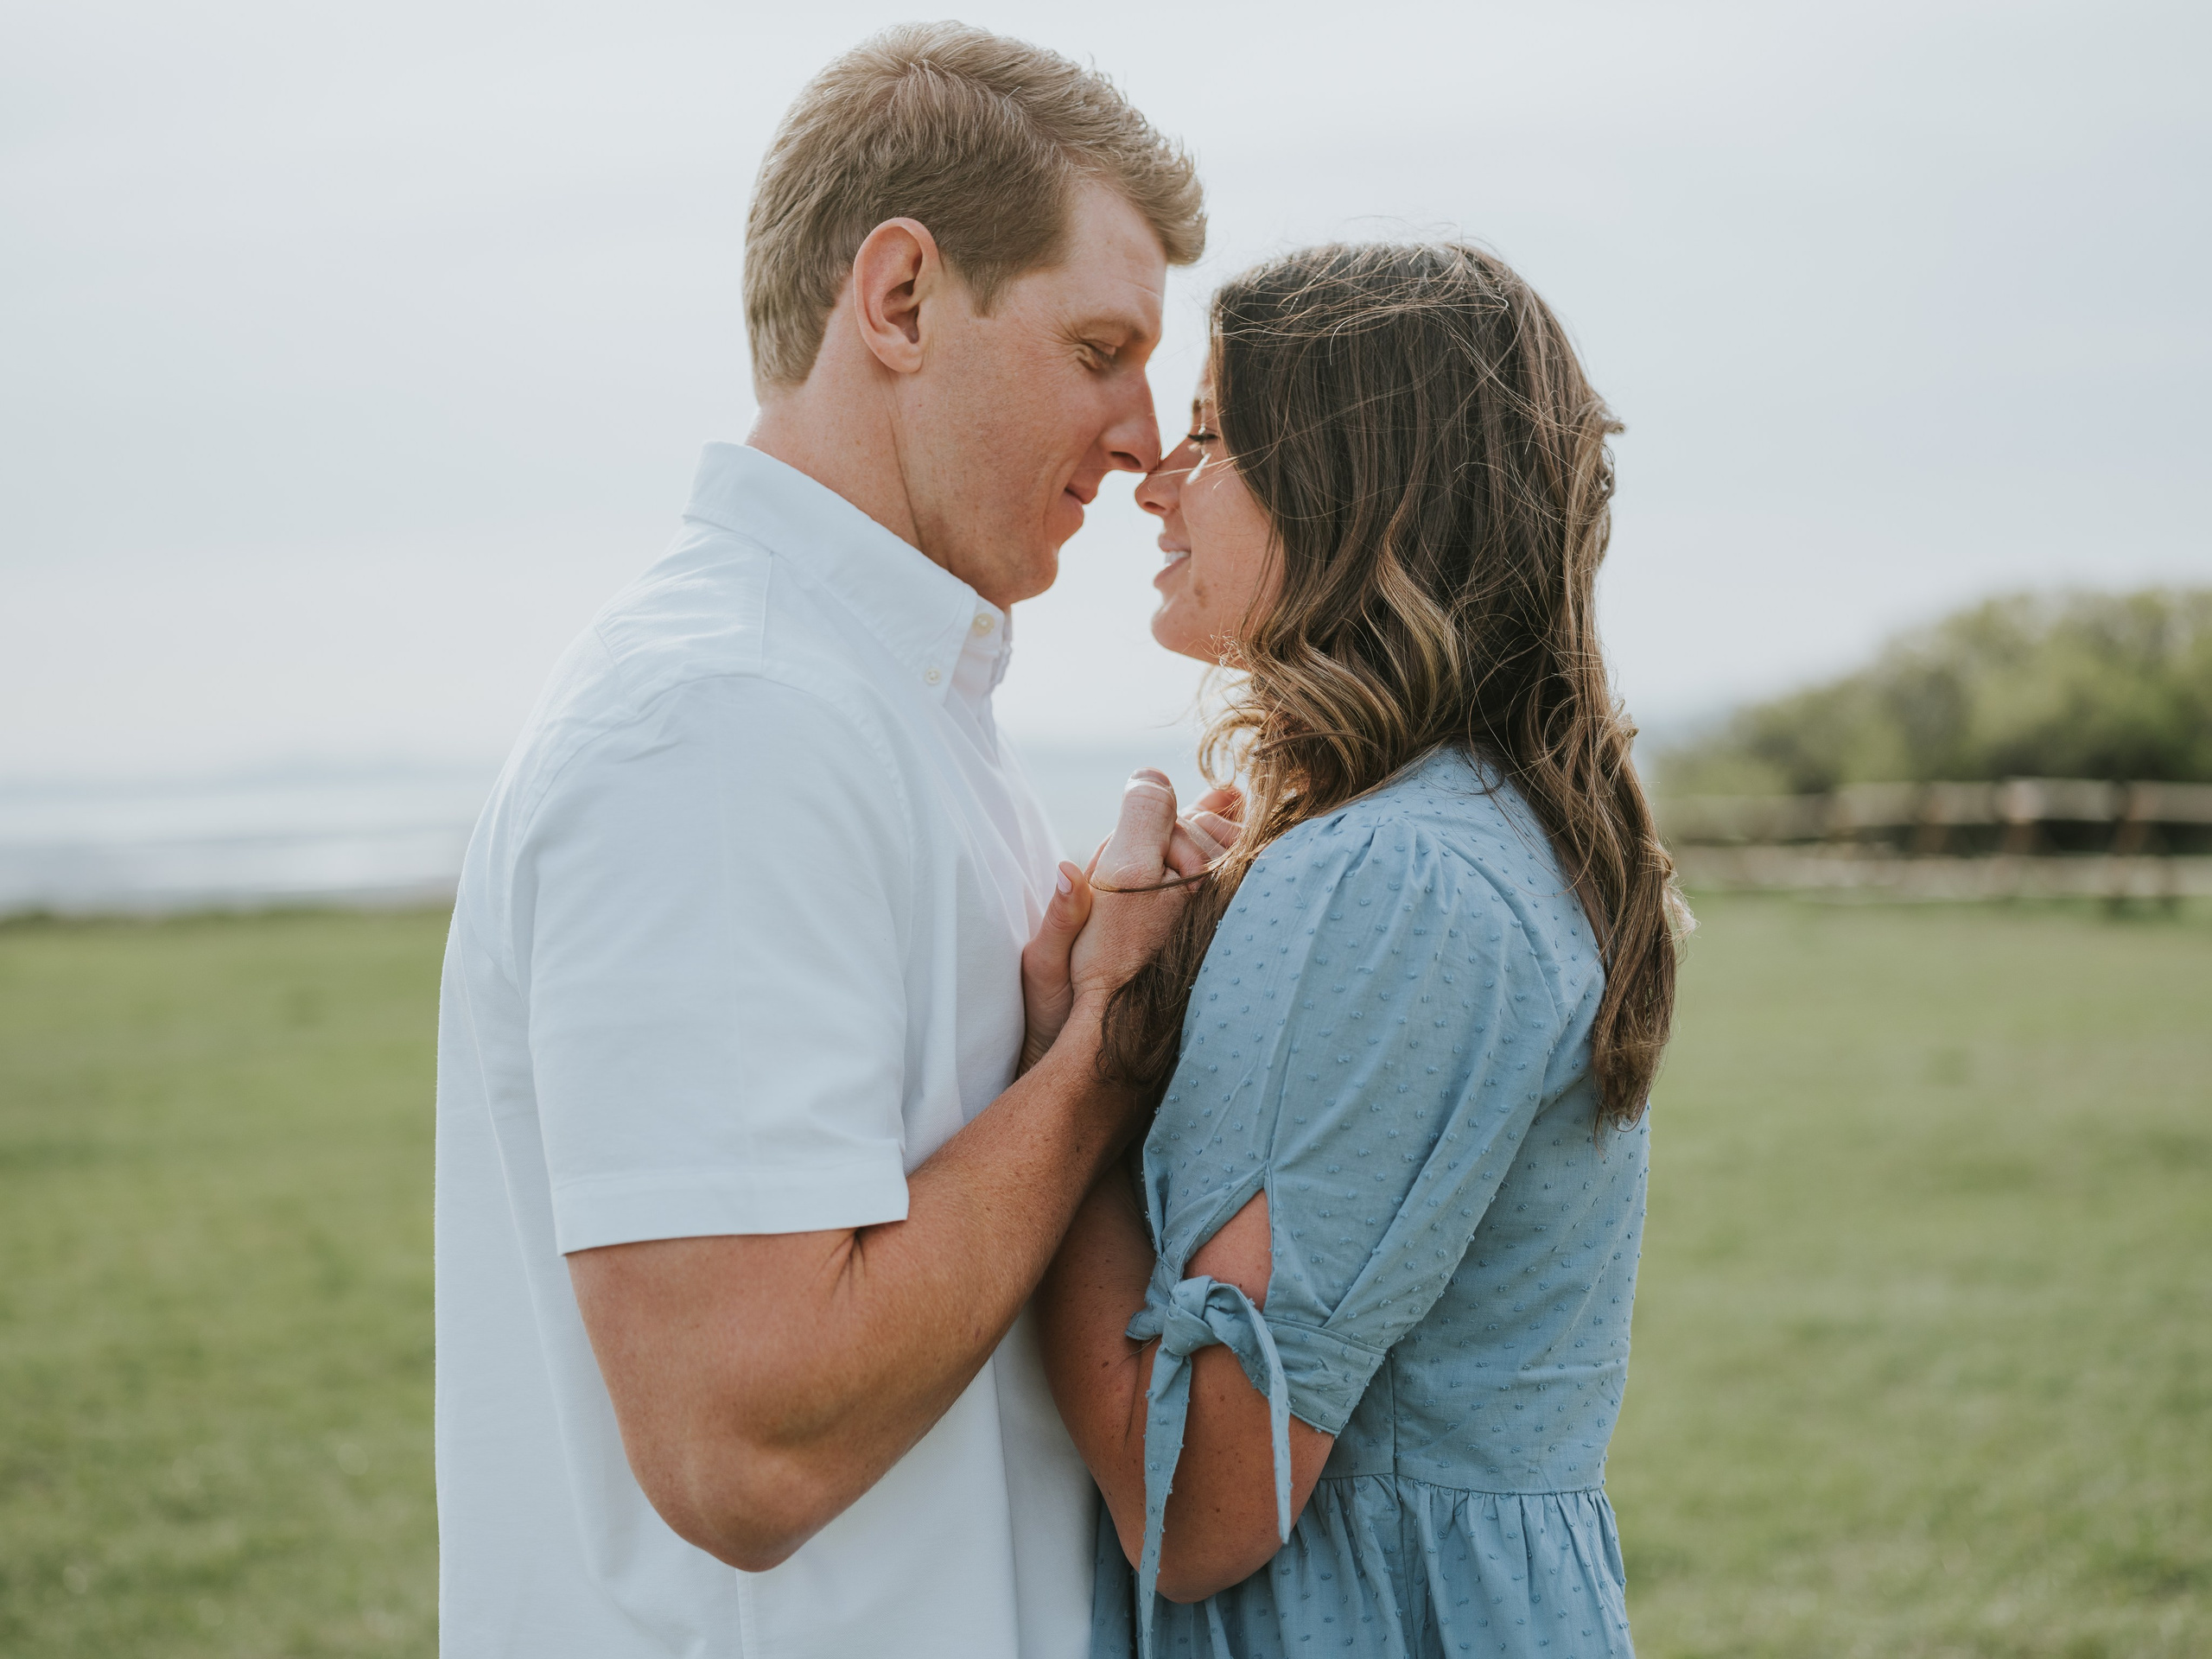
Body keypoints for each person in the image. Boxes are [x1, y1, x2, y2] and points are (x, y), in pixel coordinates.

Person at [433, 24, 1211, 1659]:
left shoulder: (886, 703)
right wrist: (1103, 1062)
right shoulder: (721, 725)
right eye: (1097, 350)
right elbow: (747, 1445)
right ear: (902, 298)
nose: (1145, 438)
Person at [1022, 243, 1689, 1658]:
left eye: (1209, 435)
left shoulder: (1389, 880)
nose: (1155, 477)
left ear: (1352, 489)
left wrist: (1088, 1044)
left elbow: (1197, 1506)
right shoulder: (1464, 835)